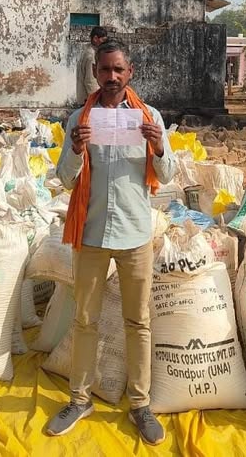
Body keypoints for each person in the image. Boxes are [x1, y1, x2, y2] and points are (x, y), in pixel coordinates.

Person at [49, 39, 175, 445]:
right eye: (105, 70)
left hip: (135, 235)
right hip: (91, 233)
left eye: (119, 69)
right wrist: (76, 149)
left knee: (138, 322)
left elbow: (168, 175)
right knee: (85, 319)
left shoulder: (149, 117)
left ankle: (140, 404)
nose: (112, 77)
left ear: (130, 72)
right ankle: (79, 399)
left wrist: (158, 145)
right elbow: (65, 180)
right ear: (95, 73)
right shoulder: (80, 119)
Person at [75, 26, 108, 105]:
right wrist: (96, 101)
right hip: (89, 101)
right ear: (95, 38)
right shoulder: (91, 56)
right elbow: (90, 81)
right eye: (103, 40)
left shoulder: (86, 51)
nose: (104, 43)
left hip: (84, 99)